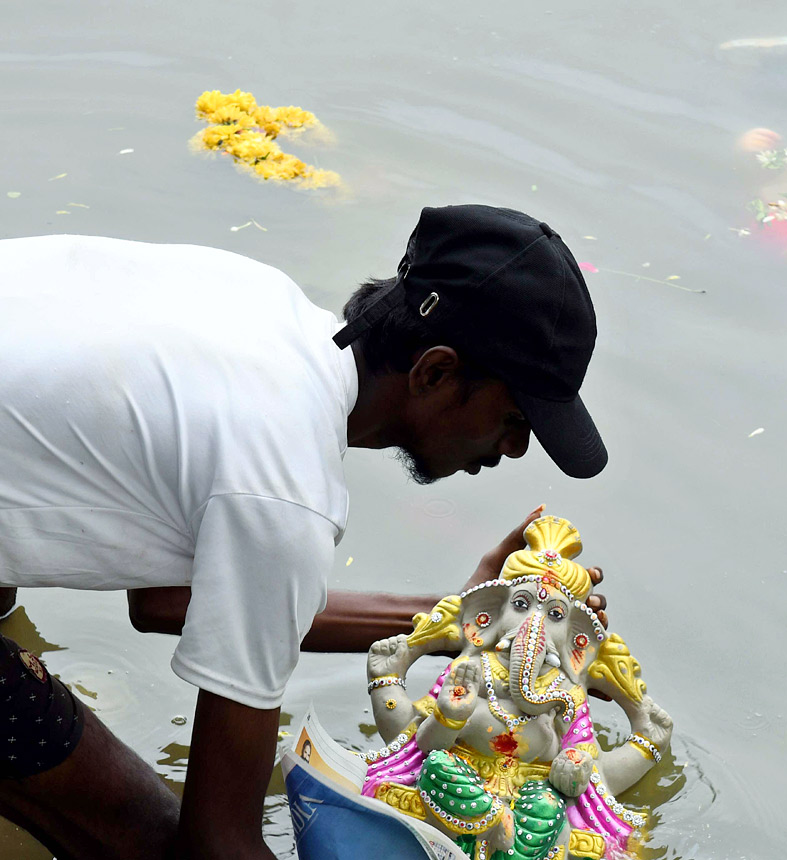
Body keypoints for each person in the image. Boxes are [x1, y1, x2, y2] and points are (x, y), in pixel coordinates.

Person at [0, 204, 610, 859]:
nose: (516, 448)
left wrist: (460, 621)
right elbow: (218, 843)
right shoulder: (283, 482)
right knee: (148, 836)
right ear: (434, 371)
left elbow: (169, 601)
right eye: (516, 416)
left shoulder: (258, 303)